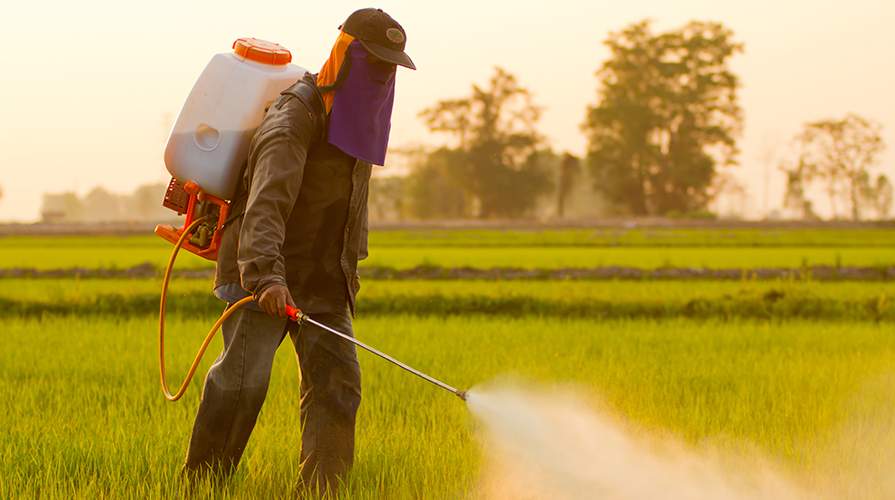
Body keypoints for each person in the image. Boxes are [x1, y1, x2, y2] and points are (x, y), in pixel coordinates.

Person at [181, 8, 415, 495]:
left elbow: (355, 204)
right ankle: (202, 487)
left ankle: (322, 492)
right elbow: (266, 205)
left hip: (322, 277)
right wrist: (266, 276)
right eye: (374, 61)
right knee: (244, 382)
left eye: (391, 65)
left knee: (338, 384)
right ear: (345, 55)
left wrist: (350, 268)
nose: (383, 74)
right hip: (261, 269)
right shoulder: (294, 119)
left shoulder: (358, 123)